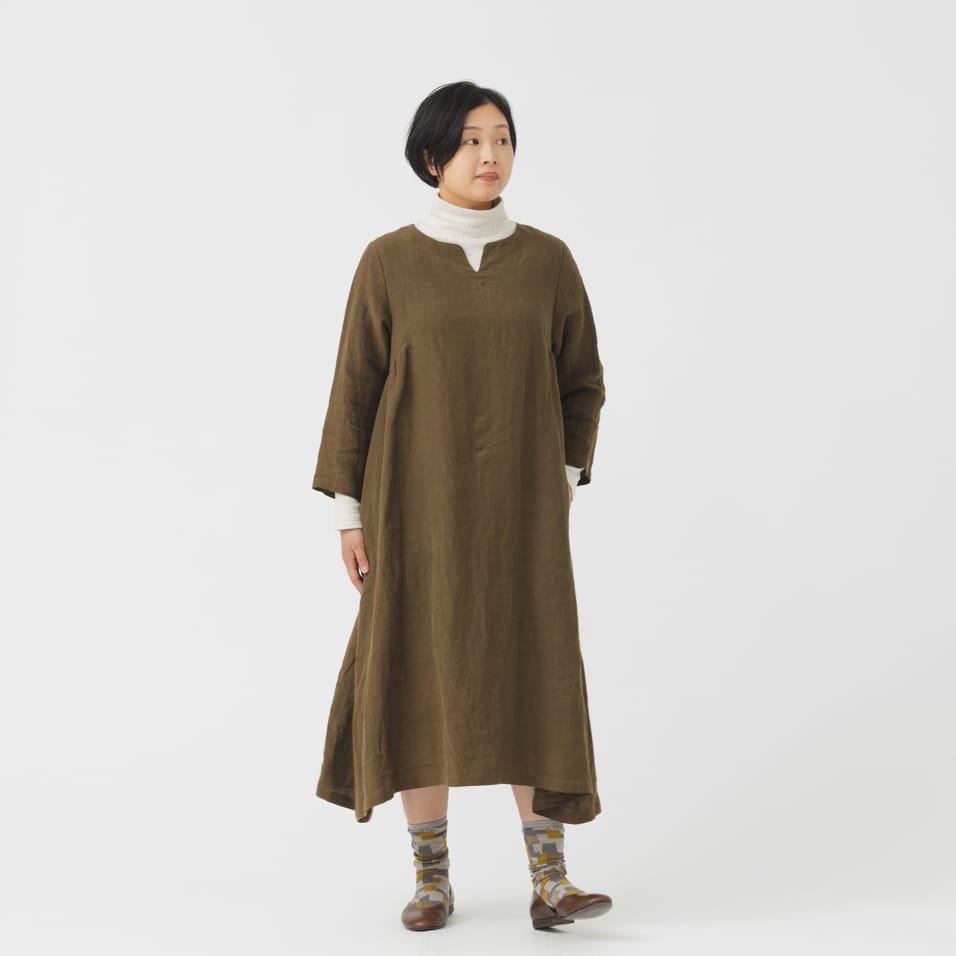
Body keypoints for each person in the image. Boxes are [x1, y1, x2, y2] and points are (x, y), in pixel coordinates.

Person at [310, 80, 610, 932]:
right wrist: (348, 514)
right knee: (417, 669)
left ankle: (550, 880)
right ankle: (432, 880)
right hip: (413, 510)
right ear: (433, 155)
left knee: (533, 667)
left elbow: (582, 380)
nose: (490, 155)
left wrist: (561, 475)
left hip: (523, 517)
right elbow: (355, 391)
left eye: (502, 138)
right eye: (473, 140)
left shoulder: (547, 260)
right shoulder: (389, 261)